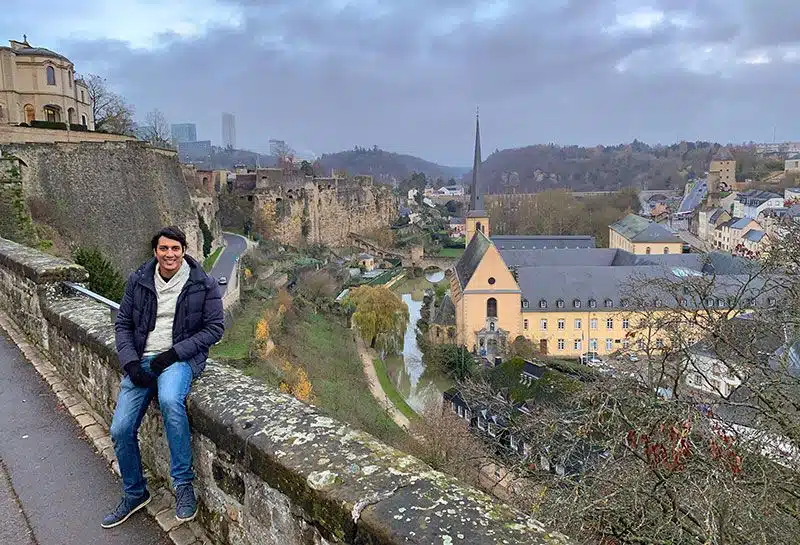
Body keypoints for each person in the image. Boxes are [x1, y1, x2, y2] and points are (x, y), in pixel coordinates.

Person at [102, 226, 224, 529]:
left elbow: (214, 328)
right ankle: (134, 493)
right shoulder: (139, 280)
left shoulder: (202, 283)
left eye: (175, 249)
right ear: (155, 251)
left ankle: (183, 485)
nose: (170, 254)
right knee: (120, 428)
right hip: (142, 359)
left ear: (184, 250)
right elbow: (123, 324)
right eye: (164, 249)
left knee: (171, 401)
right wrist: (130, 363)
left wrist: (173, 354)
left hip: (178, 359)